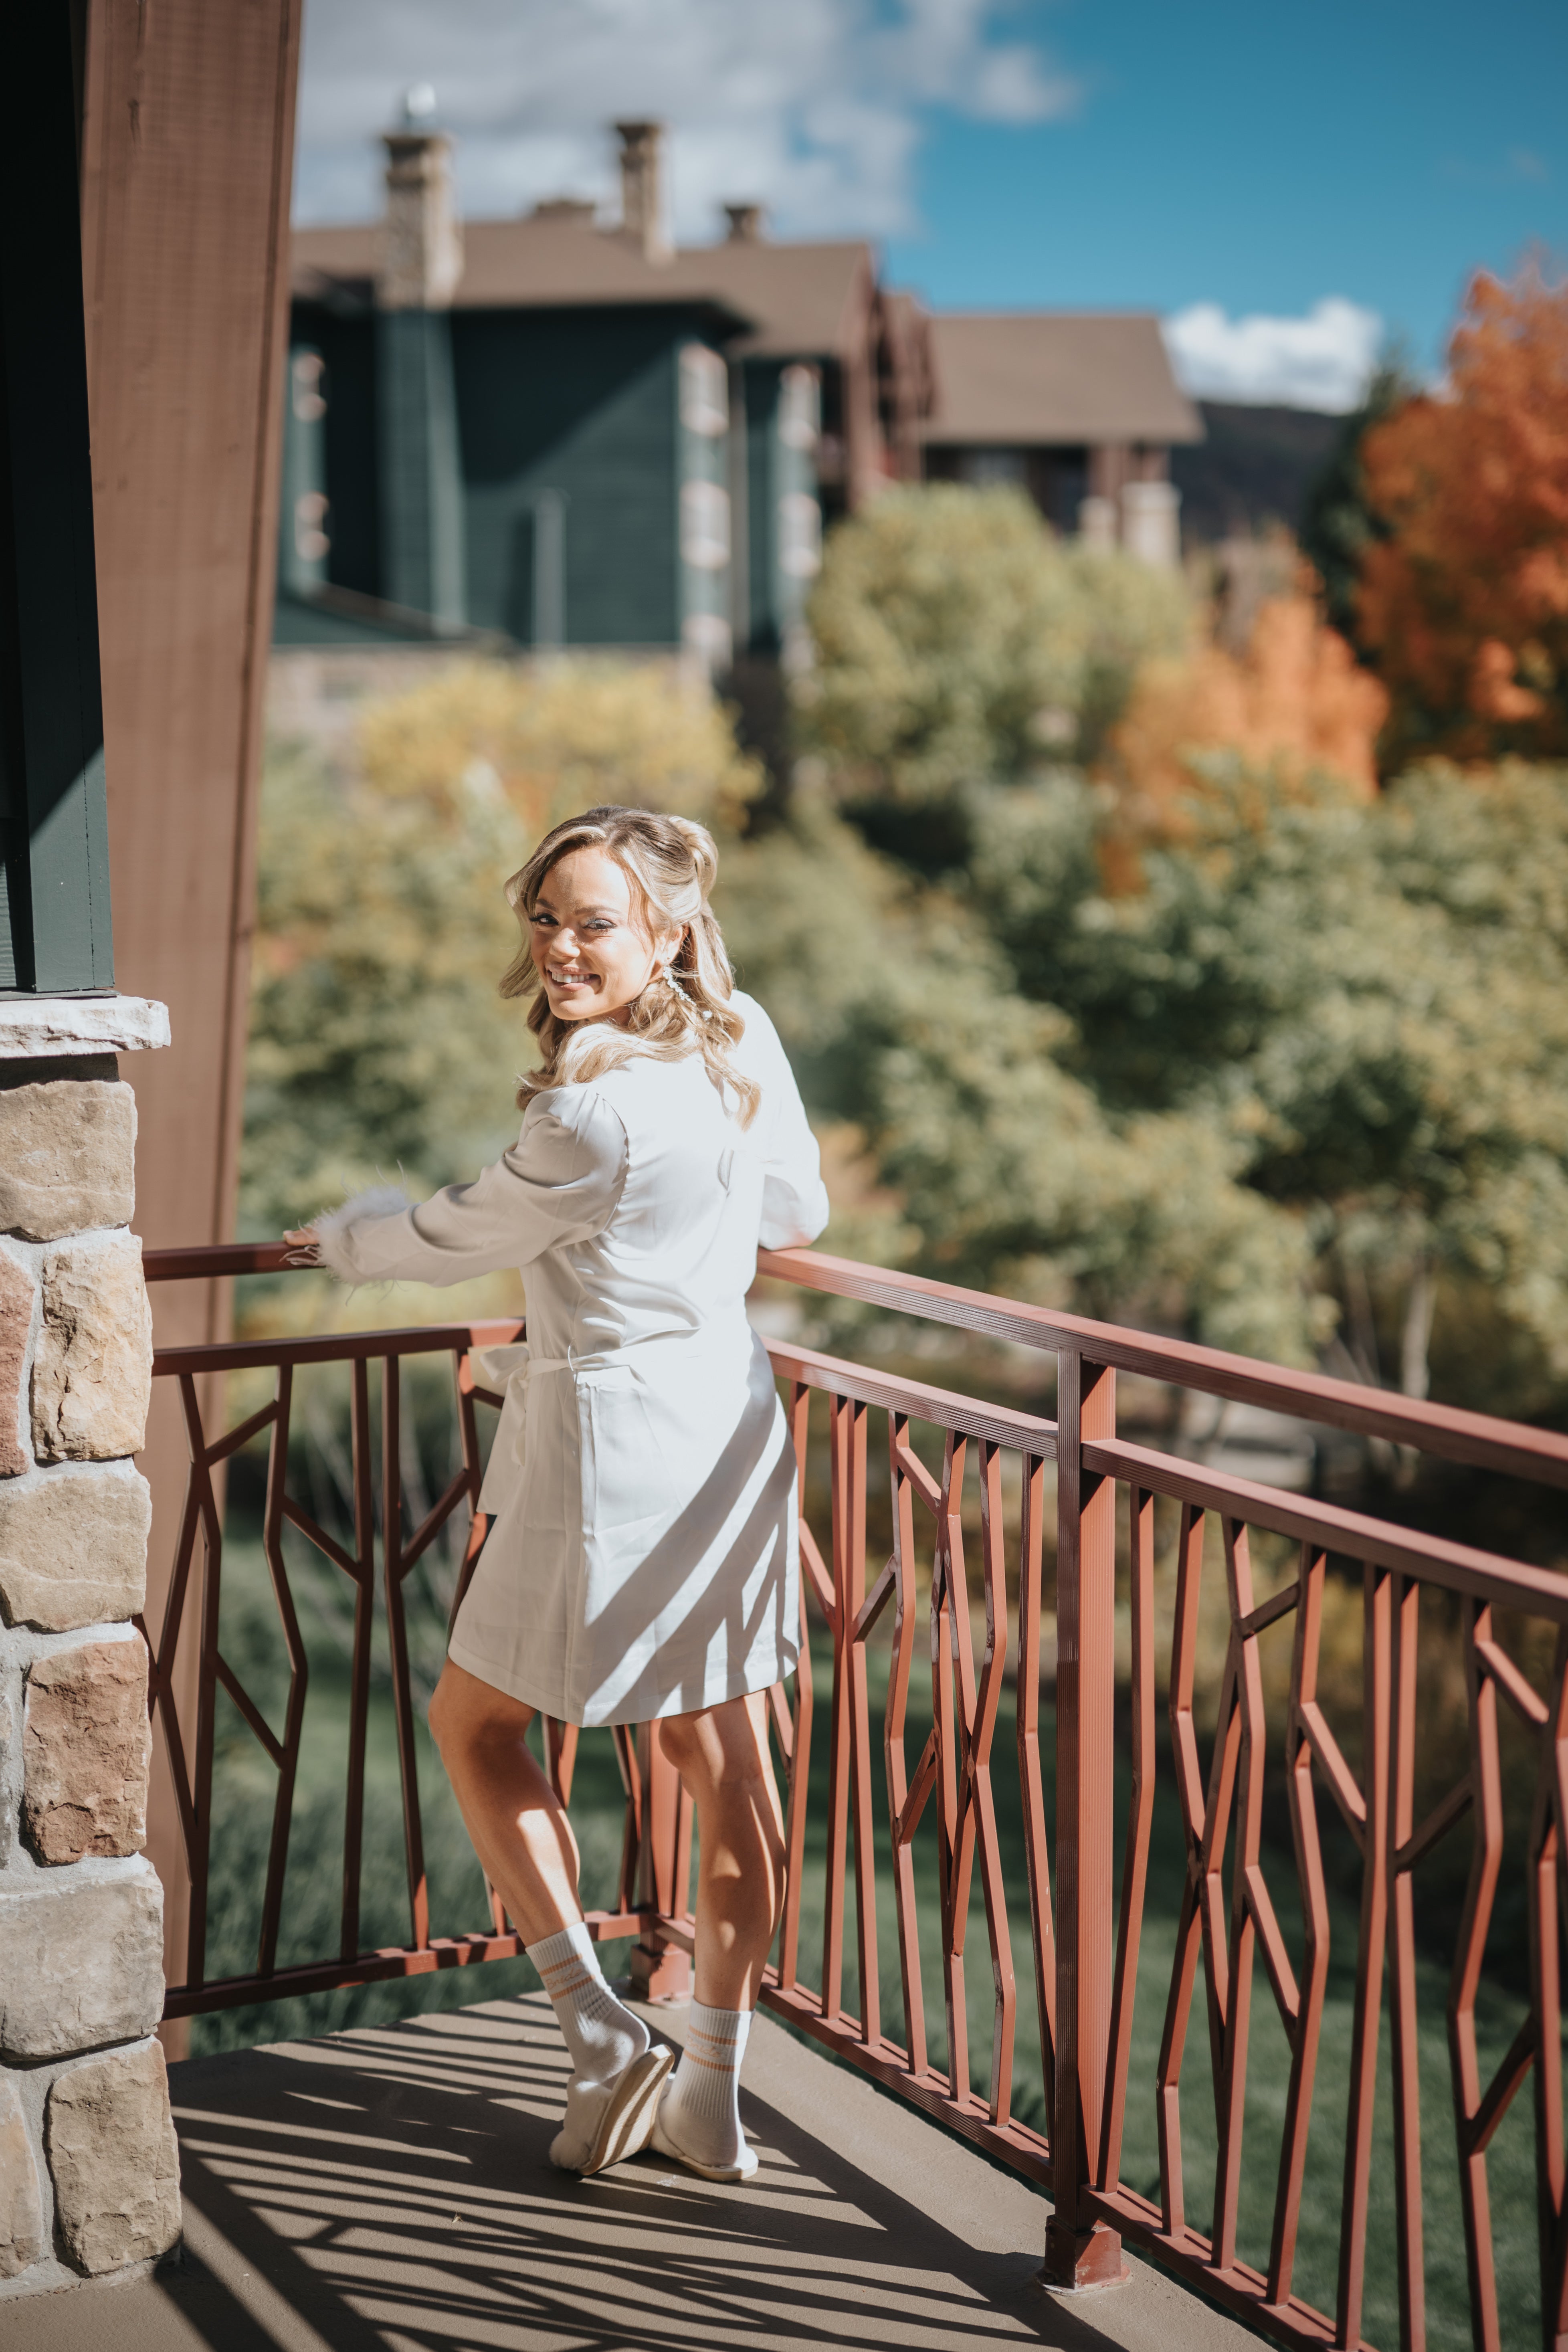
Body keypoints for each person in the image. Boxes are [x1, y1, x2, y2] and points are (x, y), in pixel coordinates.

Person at [285, 805, 828, 2184]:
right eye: (546, 916)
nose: (561, 945)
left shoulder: (590, 1114)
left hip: (606, 1452)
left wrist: (344, 1237)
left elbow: (450, 1232)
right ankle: (712, 2087)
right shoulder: (739, 1039)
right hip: (728, 1422)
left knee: (475, 1723)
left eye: (595, 920)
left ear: (667, 929)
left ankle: (597, 2030)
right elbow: (795, 1216)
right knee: (726, 1767)